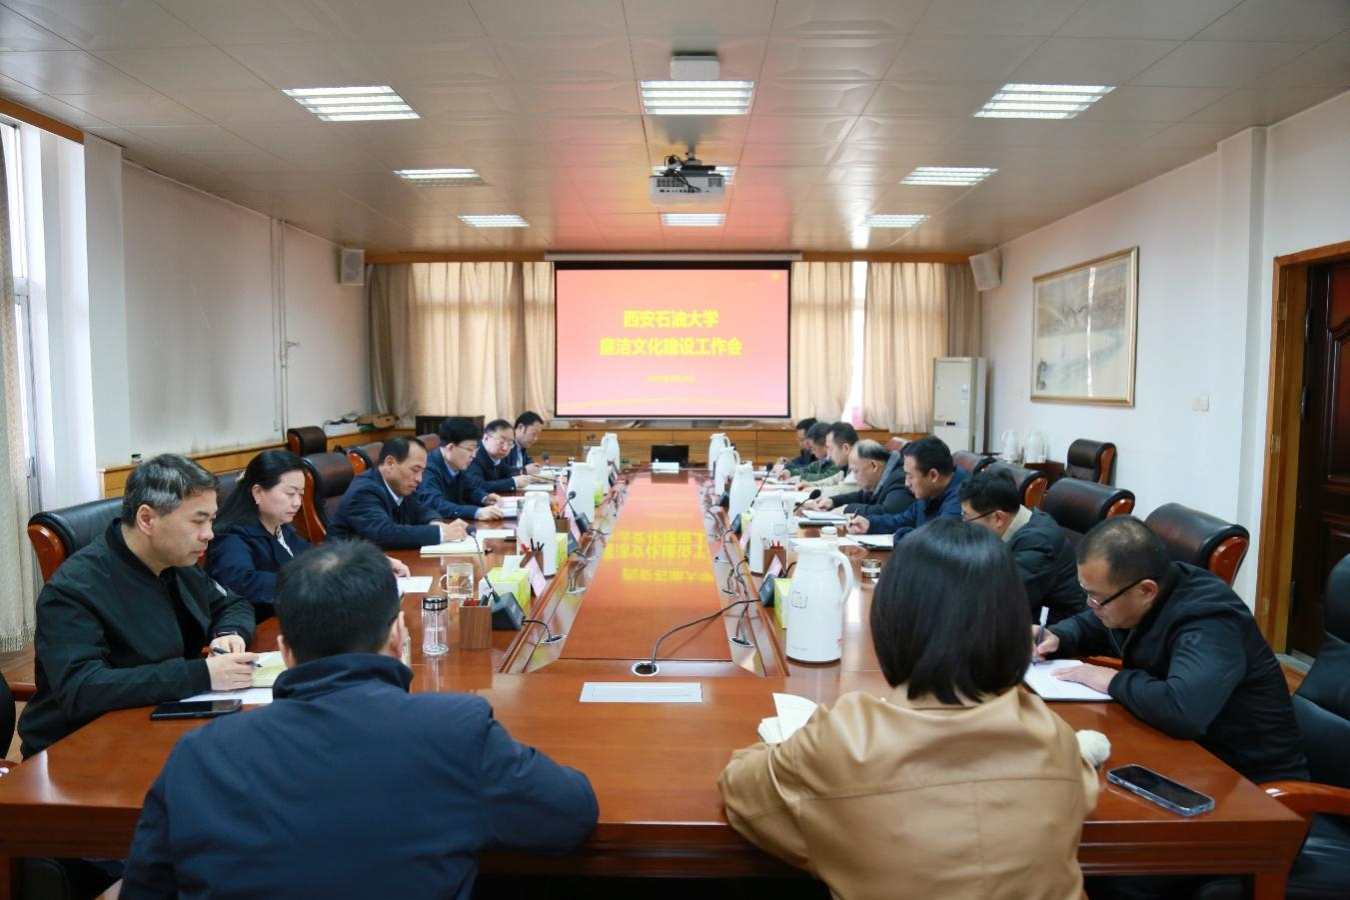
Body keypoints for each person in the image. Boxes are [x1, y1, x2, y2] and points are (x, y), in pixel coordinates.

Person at [121, 540, 599, 899]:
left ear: (285, 651)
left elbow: (147, 888)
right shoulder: (454, 729)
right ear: (398, 635)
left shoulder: (199, 753)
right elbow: (570, 815)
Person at [719, 519, 1098, 900]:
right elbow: (1080, 784)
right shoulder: (1052, 736)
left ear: (892, 621)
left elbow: (739, 785)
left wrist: (797, 745)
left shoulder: (847, 740)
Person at [1038, 516, 1308, 785]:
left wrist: (1113, 681)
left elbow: (1184, 711)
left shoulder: (1209, 620)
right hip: (1182, 756)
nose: (1090, 604)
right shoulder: (1138, 596)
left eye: (1097, 598)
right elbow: (1094, 624)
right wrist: (1057, 636)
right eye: (1087, 592)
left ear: (1146, 590)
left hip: (1249, 784)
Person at [20, 454, 256, 758]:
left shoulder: (176, 561)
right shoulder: (72, 589)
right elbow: (82, 689)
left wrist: (229, 633)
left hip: (156, 722)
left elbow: (233, 604)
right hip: (79, 749)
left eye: (211, 520)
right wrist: (201, 674)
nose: (209, 533)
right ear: (147, 519)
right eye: (198, 521)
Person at [206, 450, 409, 619]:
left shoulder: (280, 527)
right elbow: (245, 585)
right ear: (258, 492)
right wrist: (315, 580)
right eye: (290, 493)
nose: (297, 503)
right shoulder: (231, 537)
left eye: (301, 494)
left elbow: (316, 554)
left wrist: (368, 561)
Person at [959, 467, 1085, 624]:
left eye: (967, 519)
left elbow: (998, 605)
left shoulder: (1038, 546)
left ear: (998, 518)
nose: (964, 525)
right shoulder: (1016, 523)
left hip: (1052, 629)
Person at [327, 437, 468, 550]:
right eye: (415, 470)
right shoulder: (364, 491)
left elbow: (421, 510)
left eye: (422, 472)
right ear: (390, 463)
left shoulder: (399, 485)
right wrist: (441, 533)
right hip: (345, 569)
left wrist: (435, 522)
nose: (419, 479)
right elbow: (383, 533)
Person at [846, 436, 964, 539]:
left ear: (933, 475)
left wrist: (897, 536)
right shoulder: (930, 491)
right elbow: (904, 520)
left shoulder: (961, 498)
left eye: (910, 476)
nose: (907, 483)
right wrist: (870, 524)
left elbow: (933, 540)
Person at [416, 417, 507, 524]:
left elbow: (468, 488)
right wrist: (477, 512)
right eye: (470, 449)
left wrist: (485, 497)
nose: (473, 455)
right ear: (451, 448)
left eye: (475, 449)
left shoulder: (455, 463)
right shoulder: (427, 469)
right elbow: (436, 504)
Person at [806, 439, 914, 518]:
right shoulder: (883, 474)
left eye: (856, 471)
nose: (854, 477)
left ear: (873, 465)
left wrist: (848, 509)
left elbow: (888, 511)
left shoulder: (900, 478)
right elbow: (862, 496)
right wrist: (833, 501)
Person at [467, 419, 532, 495]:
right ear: (486, 438)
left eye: (510, 443)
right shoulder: (474, 455)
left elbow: (507, 473)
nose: (505, 448)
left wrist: (528, 477)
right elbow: (478, 485)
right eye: (501, 442)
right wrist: (514, 482)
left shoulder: (496, 455)